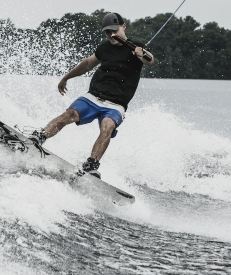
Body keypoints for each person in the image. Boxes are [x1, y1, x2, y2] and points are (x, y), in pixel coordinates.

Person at [28, 12, 155, 178]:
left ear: (123, 27)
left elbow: (150, 60)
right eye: (108, 32)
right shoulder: (104, 48)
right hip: (93, 96)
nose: (112, 35)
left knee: (108, 126)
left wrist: (142, 53)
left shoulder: (135, 47)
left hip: (116, 104)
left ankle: (92, 164)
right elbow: (87, 64)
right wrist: (66, 78)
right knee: (69, 114)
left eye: (115, 30)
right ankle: (39, 137)